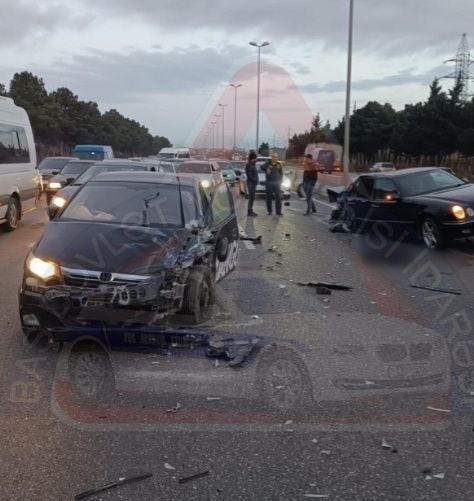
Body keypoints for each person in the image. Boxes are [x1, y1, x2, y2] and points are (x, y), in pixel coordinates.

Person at [245, 150, 258, 216]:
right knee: (251, 198)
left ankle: (251, 211)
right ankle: (249, 212)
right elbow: (249, 176)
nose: (256, 159)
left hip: (253, 184)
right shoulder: (249, 165)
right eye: (255, 158)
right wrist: (255, 180)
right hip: (250, 184)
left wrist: (256, 180)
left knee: (252, 198)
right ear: (253, 158)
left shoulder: (253, 165)